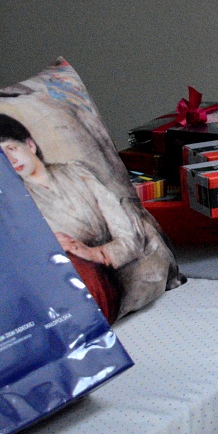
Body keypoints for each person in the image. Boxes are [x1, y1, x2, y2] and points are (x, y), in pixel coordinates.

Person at [0, 114, 175, 319]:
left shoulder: (76, 172)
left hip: (133, 267)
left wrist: (97, 253)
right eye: (2, 156)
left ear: (30, 145)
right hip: (84, 284)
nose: (11, 160)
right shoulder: (16, 203)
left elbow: (129, 232)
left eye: (12, 148)